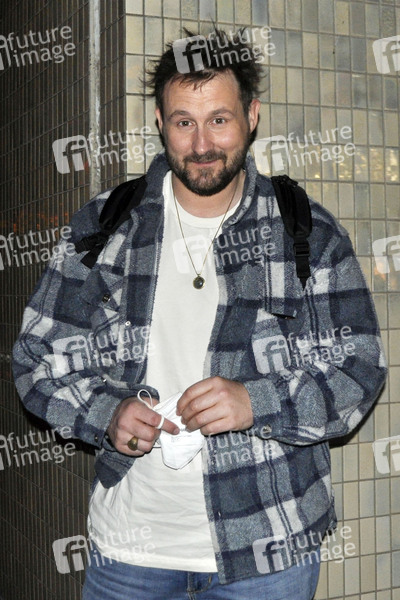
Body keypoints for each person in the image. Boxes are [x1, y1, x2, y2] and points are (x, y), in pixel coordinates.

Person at [13, 28, 387, 600]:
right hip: (130, 551)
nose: (202, 143)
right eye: (184, 121)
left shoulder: (306, 231)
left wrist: (254, 402)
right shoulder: (105, 226)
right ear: (160, 123)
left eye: (219, 119)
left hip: (271, 552)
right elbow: (36, 359)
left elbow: (359, 371)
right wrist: (106, 414)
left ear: (252, 116)